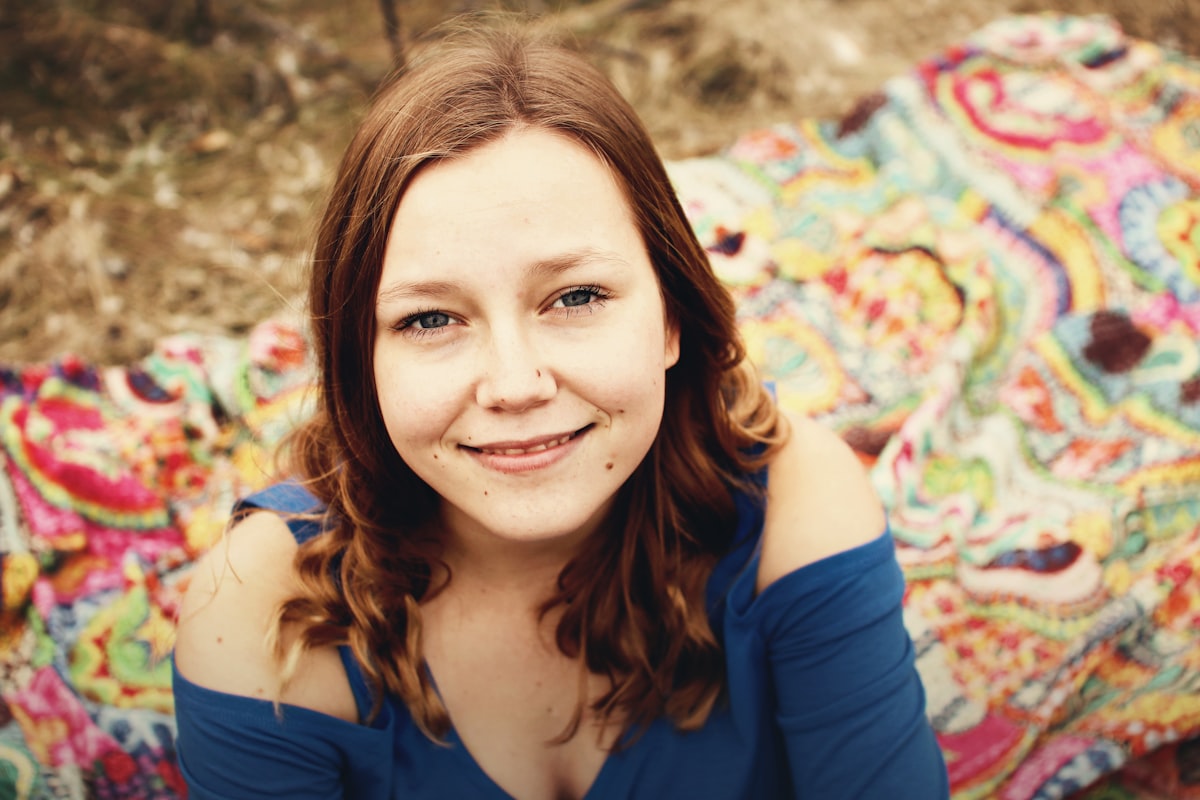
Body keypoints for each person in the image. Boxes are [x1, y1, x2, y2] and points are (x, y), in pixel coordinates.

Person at [172, 18, 950, 800]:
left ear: (672, 316)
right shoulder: (266, 617)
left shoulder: (792, 511)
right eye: (431, 318)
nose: (515, 385)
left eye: (576, 297)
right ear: (359, 361)